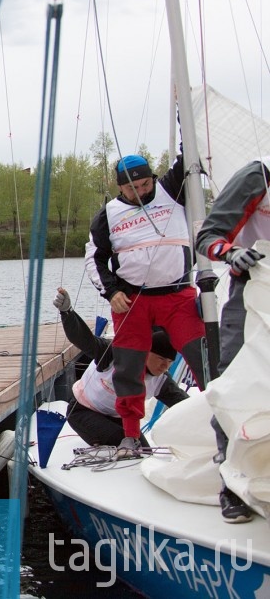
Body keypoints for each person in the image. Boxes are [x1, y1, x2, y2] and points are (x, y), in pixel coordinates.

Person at [85, 153, 215, 460]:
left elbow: (189, 152)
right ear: (118, 187)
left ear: (152, 179)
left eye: (144, 185)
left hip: (177, 294)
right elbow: (95, 258)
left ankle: (219, 421)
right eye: (132, 189)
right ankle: (130, 434)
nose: (140, 192)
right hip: (132, 300)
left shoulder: (172, 190)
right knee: (128, 366)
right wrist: (110, 291)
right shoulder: (107, 215)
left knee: (203, 354)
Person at [194, 157, 269, 524]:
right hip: (254, 288)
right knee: (234, 381)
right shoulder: (260, 175)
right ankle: (230, 484)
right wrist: (233, 254)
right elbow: (207, 237)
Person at [52, 288, 186, 447]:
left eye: (170, 362)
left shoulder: (162, 381)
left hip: (117, 418)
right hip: (83, 411)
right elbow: (83, 339)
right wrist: (67, 312)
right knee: (120, 439)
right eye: (161, 359)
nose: (165, 367)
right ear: (146, 351)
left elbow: (184, 404)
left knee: (143, 449)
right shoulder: (113, 353)